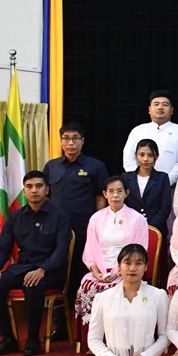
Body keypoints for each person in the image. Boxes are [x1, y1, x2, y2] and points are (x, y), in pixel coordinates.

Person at [0, 171, 72, 356]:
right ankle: (8, 338)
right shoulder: (15, 217)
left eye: (39, 186)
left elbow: (62, 250)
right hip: (23, 268)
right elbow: (3, 247)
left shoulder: (60, 215)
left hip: (51, 270)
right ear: (24, 191)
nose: (34, 191)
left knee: (32, 284)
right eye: (29, 187)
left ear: (47, 189)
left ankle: (33, 339)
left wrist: (43, 269)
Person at [44, 121, 109, 339]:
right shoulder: (51, 166)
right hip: (55, 234)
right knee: (58, 276)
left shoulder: (95, 166)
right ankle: (60, 327)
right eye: (66, 138)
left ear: (82, 141)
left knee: (78, 278)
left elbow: (100, 198)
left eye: (75, 138)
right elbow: (46, 197)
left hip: (82, 231)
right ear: (61, 141)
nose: (70, 143)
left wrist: (98, 227)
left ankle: (83, 328)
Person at [75, 176, 149, 353]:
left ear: (126, 193)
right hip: (100, 269)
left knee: (118, 287)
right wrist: (96, 271)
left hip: (126, 270)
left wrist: (118, 272)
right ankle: (94, 341)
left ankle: (118, 341)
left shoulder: (137, 219)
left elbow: (139, 249)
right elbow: (90, 248)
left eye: (119, 191)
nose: (115, 195)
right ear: (104, 194)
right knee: (87, 285)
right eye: (111, 191)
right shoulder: (96, 218)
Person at [122, 89, 178, 186]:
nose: (160, 107)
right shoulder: (138, 130)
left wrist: (165, 182)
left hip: (169, 186)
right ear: (149, 109)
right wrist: (138, 180)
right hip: (138, 186)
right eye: (156, 104)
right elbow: (128, 158)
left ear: (172, 110)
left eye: (165, 104)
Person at [123, 139, 171, 237]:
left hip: (156, 230)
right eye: (142, 155)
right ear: (136, 155)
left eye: (150, 155)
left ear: (156, 156)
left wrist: (151, 228)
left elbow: (165, 207)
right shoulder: (126, 177)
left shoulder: (162, 178)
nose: (145, 159)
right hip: (130, 229)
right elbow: (123, 204)